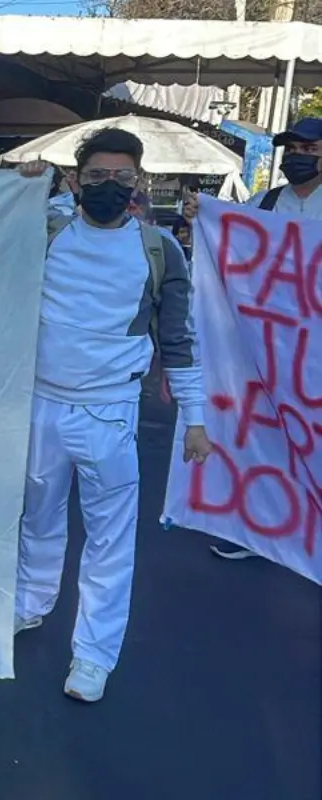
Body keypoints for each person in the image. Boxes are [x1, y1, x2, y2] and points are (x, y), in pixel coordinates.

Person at [16, 128, 214, 703]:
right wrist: (15, 190)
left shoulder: (160, 251)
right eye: (98, 176)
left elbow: (178, 341)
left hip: (110, 413)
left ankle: (95, 655)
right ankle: (30, 605)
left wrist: (194, 420)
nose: (110, 186)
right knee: (38, 516)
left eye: (122, 178)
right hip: (41, 402)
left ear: (138, 183)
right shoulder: (43, 234)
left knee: (109, 537)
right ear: (75, 181)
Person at [182, 116, 321, 561]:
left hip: (314, 349)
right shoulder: (264, 204)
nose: (300, 157)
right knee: (270, 434)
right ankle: (260, 526)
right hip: (270, 346)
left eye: (310, 149)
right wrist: (200, 215)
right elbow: (230, 244)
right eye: (293, 149)